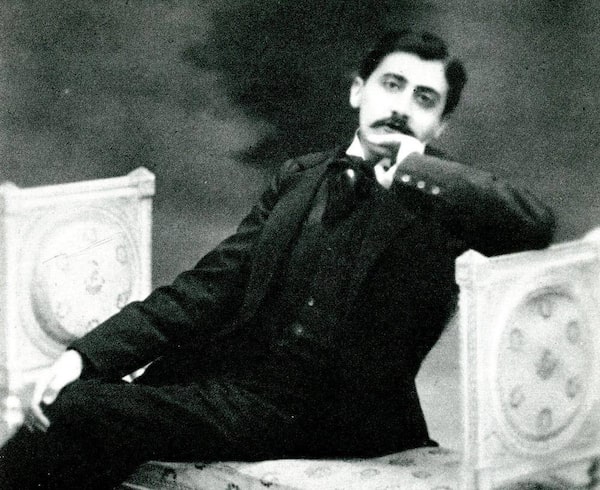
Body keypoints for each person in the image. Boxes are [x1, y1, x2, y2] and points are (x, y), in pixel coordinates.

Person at [0, 29, 555, 489]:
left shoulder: (442, 198)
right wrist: (86, 356)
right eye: (392, 85)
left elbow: (533, 226)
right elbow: (206, 289)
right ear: (358, 92)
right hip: (243, 393)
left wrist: (416, 169)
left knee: (78, 413)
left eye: (424, 99)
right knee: (73, 405)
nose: (402, 107)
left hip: (343, 422)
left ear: (440, 126)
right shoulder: (298, 178)